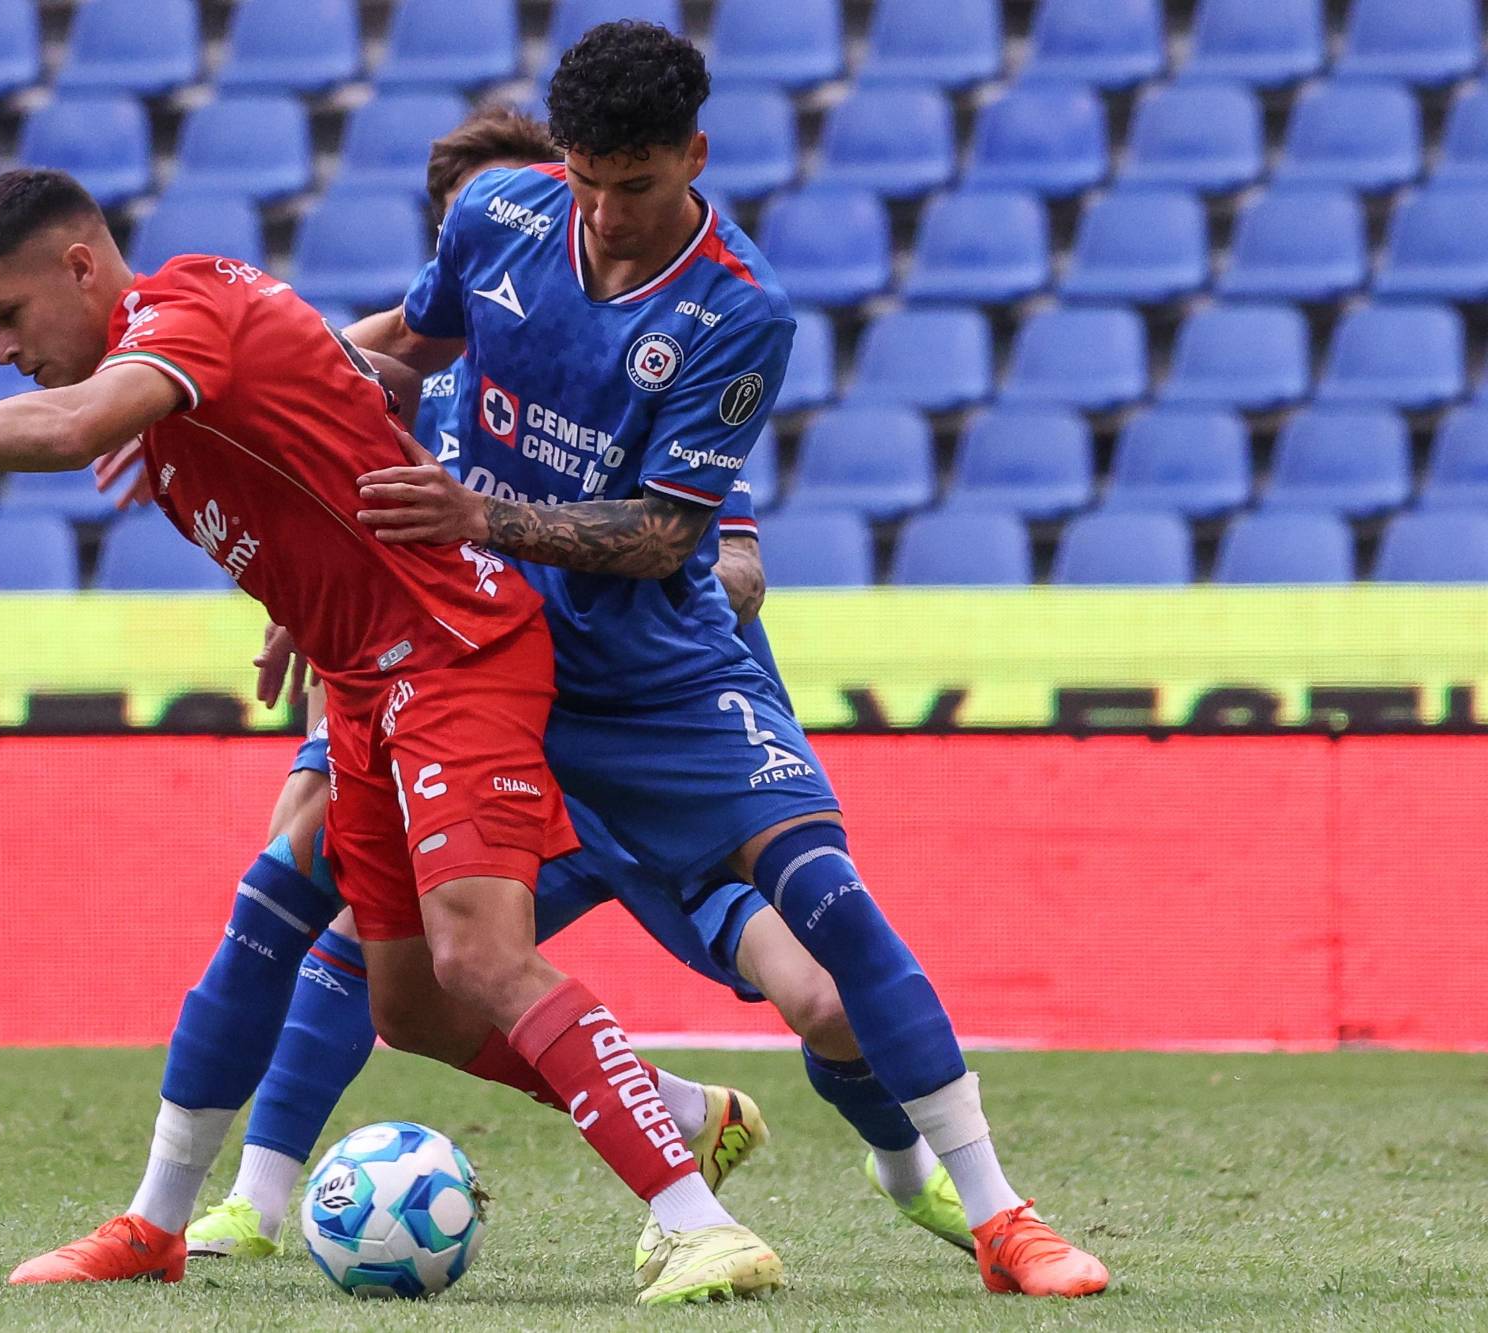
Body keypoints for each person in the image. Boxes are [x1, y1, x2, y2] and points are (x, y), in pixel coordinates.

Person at [0, 167, 782, 1305]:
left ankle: (698, 1223)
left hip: (452, 654)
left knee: (470, 950)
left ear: (81, 266)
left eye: (5, 314)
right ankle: (673, 1109)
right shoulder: (163, 377)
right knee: (410, 1008)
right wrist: (302, 602)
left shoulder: (177, 317)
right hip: (361, 677)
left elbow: (70, 426)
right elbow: (331, 420)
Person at [347, 22, 1110, 1299]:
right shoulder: (495, 213)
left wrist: (478, 514)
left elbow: (659, 538)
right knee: (347, 911)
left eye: (634, 184)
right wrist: (245, 397)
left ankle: (996, 1215)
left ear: (693, 155)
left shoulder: (735, 308)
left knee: (829, 937)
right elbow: (396, 352)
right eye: (585, 180)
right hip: (484, 662)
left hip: (657, 688)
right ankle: (220, 1198)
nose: (604, 213)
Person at [176, 107, 973, 1280]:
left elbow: (721, 555)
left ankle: (908, 1168)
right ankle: (253, 1195)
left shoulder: (649, 390)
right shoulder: (409, 411)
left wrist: (657, 603)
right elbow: (325, 467)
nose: (571, 229)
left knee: (823, 1000)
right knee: (344, 910)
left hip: (630, 743)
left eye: (583, 198)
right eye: (514, 214)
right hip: (478, 725)